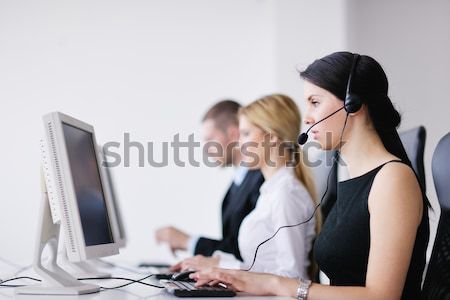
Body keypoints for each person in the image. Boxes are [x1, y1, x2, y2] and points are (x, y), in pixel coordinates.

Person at [190, 52, 430, 300]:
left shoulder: (392, 180)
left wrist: (276, 284)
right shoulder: (350, 179)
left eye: (315, 102)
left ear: (352, 103)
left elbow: (382, 296)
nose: (306, 117)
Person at [171, 94, 320, 279]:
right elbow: (261, 265)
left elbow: (291, 277)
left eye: (246, 134)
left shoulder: (286, 194)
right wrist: (217, 264)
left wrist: (222, 267)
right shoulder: (270, 191)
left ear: (272, 137)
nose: (239, 143)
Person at [155, 100, 264, 260]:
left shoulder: (262, 181)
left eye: (210, 139)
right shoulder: (238, 181)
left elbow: (246, 253)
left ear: (233, 134)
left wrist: (188, 242)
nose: (205, 148)